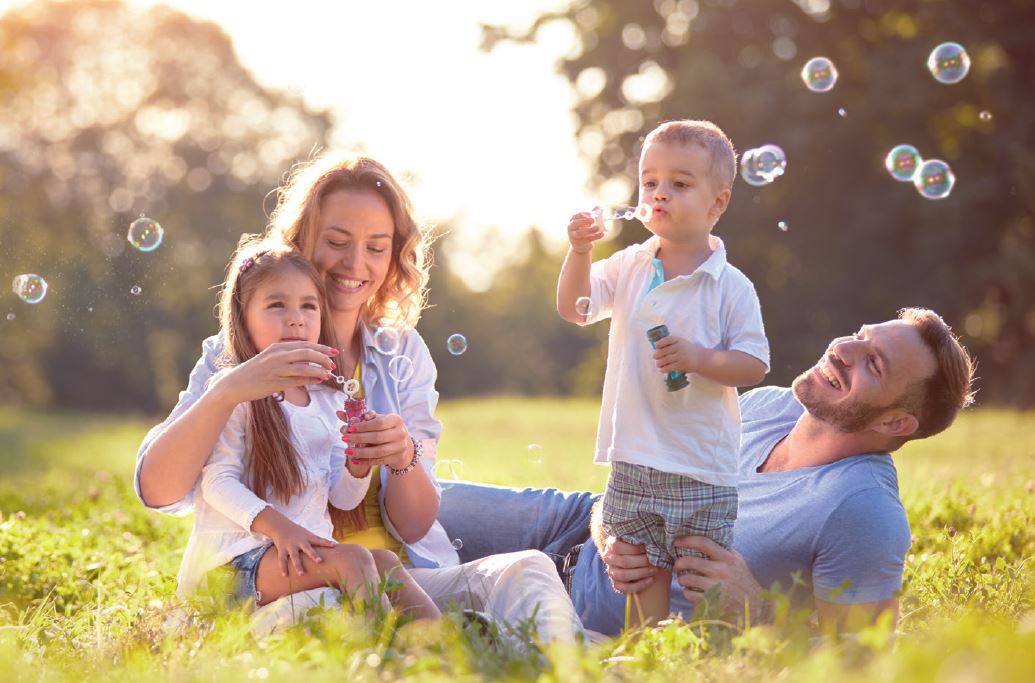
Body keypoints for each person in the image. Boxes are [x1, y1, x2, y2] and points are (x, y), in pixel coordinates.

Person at [135, 153, 582, 643]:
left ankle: (572, 668)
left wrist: (399, 456)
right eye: (336, 242)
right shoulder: (239, 354)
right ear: (302, 241)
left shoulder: (401, 353)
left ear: (394, 256)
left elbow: (410, 526)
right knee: (340, 620)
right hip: (286, 582)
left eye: (377, 247)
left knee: (528, 571)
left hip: (399, 577)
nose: (355, 264)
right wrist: (227, 390)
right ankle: (442, 652)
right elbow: (159, 490)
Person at [436, 308, 975, 635]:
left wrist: (759, 610)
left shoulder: (863, 511)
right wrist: (607, 526)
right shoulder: (768, 405)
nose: (843, 349)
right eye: (860, 335)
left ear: (897, 421)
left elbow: (861, 664)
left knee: (399, 589)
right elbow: (644, 476)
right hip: (574, 523)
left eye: (873, 362)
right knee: (403, 500)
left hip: (591, 609)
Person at [556, 120, 769, 625]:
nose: (659, 194)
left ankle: (716, 652)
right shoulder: (630, 265)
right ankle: (647, 652)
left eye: (679, 183)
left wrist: (699, 359)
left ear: (718, 203)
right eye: (650, 182)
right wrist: (580, 252)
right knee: (640, 567)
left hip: (700, 461)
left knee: (701, 572)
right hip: (635, 452)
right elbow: (575, 307)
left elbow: (754, 364)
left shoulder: (729, 286)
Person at [180, 243, 439, 620]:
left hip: (297, 556)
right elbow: (216, 482)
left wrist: (357, 465)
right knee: (352, 558)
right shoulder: (234, 389)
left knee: (383, 562)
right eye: (276, 305)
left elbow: (343, 499)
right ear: (243, 316)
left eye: (308, 306)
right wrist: (282, 529)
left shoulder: (325, 400)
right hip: (231, 565)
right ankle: (384, 655)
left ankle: (445, 645)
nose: (296, 318)